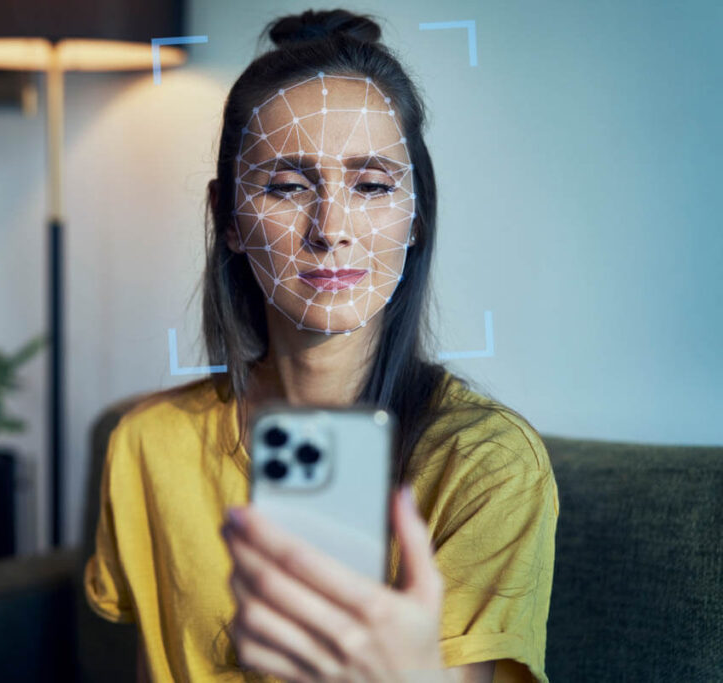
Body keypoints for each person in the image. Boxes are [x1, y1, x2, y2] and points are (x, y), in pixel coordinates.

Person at [85, 8, 559, 683]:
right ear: (229, 220)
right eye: (287, 185)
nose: (331, 227)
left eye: (371, 185)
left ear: (417, 214)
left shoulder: (487, 466)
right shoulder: (146, 443)